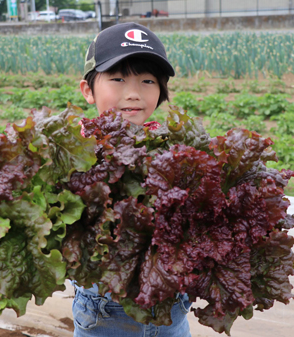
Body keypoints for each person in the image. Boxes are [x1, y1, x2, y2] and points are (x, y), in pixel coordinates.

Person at [75, 22, 191, 337]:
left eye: (147, 80)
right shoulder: (76, 151)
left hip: (172, 308)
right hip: (106, 312)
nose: (133, 93)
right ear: (88, 90)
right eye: (117, 78)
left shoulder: (171, 148)